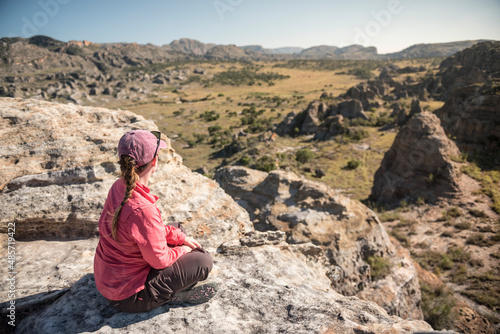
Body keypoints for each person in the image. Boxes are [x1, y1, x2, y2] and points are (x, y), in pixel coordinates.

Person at [94, 130, 216, 313]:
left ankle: (168, 277)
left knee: (177, 229)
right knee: (203, 261)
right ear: (154, 161)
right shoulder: (142, 209)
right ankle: (168, 296)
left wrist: (178, 237)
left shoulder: (119, 186)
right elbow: (160, 261)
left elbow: (145, 229)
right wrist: (183, 249)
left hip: (111, 280)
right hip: (129, 297)